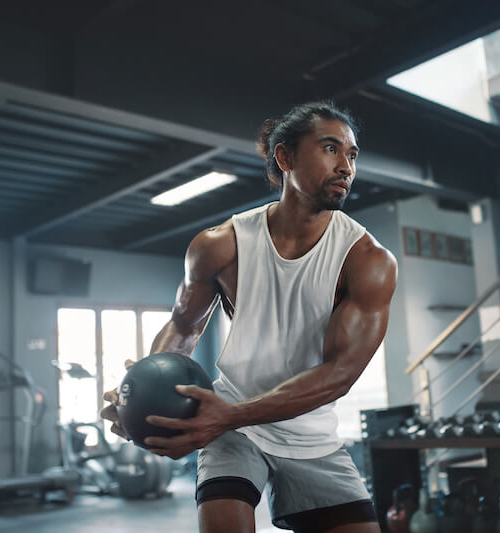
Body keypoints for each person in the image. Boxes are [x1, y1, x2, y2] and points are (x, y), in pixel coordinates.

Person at [101, 101, 397, 533]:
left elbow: (340, 374)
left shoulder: (368, 261)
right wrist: (143, 400)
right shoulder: (220, 245)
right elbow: (184, 328)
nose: (346, 166)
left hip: (309, 433)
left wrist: (229, 414)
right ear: (285, 157)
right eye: (331, 149)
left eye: (352, 155)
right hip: (233, 428)